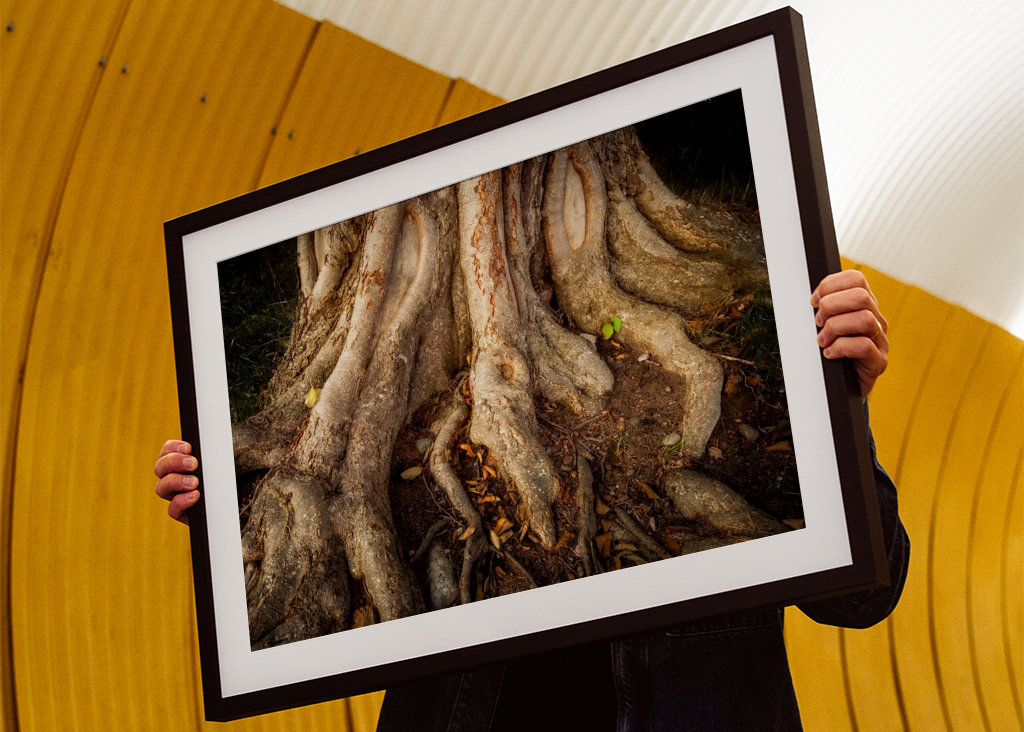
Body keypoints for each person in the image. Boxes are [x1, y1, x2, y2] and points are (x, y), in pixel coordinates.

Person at [154, 270, 908, 730]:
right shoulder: (411, 426)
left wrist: (839, 409)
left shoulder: (785, 364)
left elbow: (864, 596)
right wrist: (235, 512)